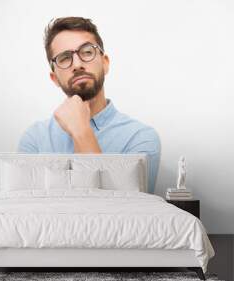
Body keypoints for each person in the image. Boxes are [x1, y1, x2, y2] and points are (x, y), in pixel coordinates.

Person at [17, 17, 161, 194]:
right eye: (64, 58)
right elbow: (27, 212)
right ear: (55, 78)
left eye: (86, 52)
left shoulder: (140, 138)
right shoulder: (34, 140)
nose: (77, 64)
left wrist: (81, 130)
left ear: (105, 63)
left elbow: (124, 213)